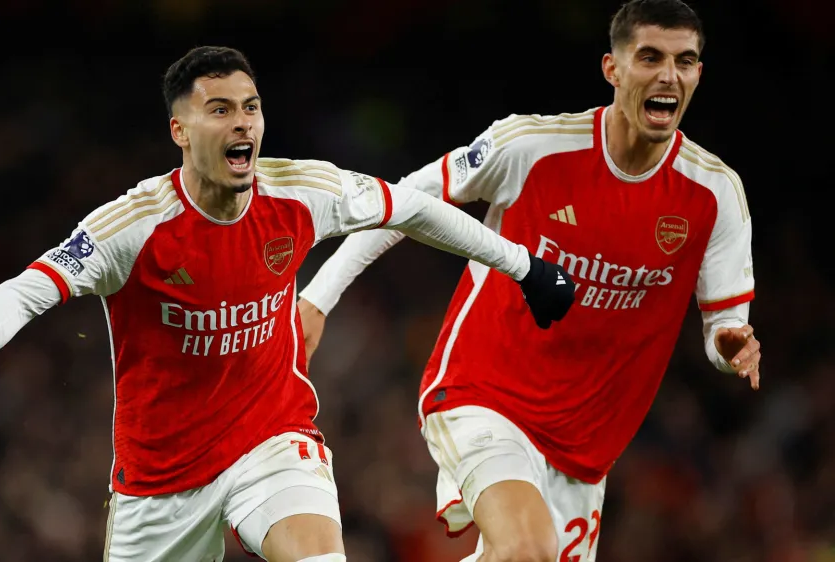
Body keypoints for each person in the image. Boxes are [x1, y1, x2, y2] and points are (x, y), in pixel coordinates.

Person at [0, 46, 574, 562]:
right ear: (180, 130)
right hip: (159, 479)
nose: (243, 122)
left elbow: (412, 209)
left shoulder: (300, 192)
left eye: (250, 107)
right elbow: (30, 288)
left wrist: (523, 267)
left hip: (271, 441)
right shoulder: (132, 228)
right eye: (221, 109)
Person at [297, 1, 761, 561]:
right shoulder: (533, 147)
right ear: (613, 69)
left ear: (698, 74)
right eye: (650, 57)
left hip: (585, 450)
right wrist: (319, 297)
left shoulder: (715, 194)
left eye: (684, 61)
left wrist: (728, 346)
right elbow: (407, 200)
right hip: (484, 395)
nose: (668, 74)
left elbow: (724, 325)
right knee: (526, 548)